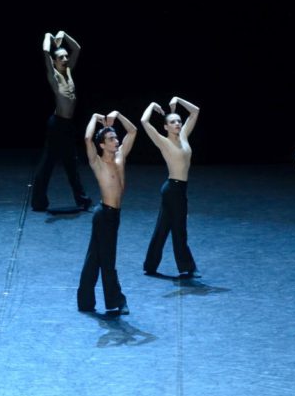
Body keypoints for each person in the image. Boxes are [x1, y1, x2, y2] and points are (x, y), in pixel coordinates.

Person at [77, 111, 137, 315]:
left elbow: (133, 130)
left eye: (116, 138)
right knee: (108, 260)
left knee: (95, 258)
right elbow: (87, 138)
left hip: (114, 216)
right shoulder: (98, 163)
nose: (116, 141)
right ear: (102, 145)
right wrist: (94, 118)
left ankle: (85, 302)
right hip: (104, 215)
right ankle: (115, 302)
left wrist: (118, 115)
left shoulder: (120, 157)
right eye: (111, 139)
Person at [31, 31, 91, 212]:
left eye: (66, 56)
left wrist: (63, 34)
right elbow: (45, 51)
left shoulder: (69, 72)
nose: (65, 59)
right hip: (56, 124)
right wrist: (49, 35)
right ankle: (39, 202)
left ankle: (82, 200)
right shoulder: (54, 76)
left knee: (72, 163)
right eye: (61, 57)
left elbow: (77, 48)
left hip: (68, 126)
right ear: (55, 62)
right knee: (47, 163)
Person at [140, 96, 200, 277]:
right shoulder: (163, 142)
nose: (177, 124)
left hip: (178, 189)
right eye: (173, 122)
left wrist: (177, 99)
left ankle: (150, 266)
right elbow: (144, 121)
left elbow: (195, 111)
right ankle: (187, 267)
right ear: (165, 127)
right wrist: (151, 104)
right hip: (173, 189)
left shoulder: (183, 136)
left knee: (163, 228)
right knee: (179, 228)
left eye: (179, 121)